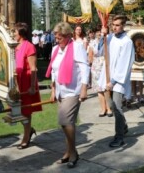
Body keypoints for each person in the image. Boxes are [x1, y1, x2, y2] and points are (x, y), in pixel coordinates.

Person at [46, 22, 90, 168]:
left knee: (65, 121)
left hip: (73, 91)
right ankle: (69, 151)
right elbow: (53, 71)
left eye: (59, 38)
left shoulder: (77, 47)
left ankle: (73, 152)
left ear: (67, 36)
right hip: (60, 91)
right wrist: (53, 90)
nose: (56, 41)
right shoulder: (54, 50)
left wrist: (84, 88)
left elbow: (84, 68)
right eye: (55, 38)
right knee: (67, 124)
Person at [100, 15, 135, 148]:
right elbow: (100, 51)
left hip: (118, 80)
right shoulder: (110, 38)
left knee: (117, 107)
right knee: (112, 106)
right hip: (108, 77)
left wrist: (114, 81)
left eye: (117, 25)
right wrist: (103, 35)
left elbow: (124, 63)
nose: (114, 27)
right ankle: (123, 125)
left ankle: (119, 137)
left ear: (123, 25)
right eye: (113, 25)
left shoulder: (127, 42)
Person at [13, 22, 42, 149]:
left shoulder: (29, 46)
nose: (13, 34)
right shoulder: (14, 46)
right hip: (17, 82)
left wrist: (32, 86)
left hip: (27, 81)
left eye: (14, 31)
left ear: (20, 33)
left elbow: (33, 68)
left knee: (25, 111)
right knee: (17, 110)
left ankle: (26, 136)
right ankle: (28, 130)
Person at [89, 29, 112, 117]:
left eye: (101, 32)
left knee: (106, 88)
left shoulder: (107, 41)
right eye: (97, 32)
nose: (99, 33)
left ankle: (109, 108)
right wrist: (92, 62)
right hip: (96, 66)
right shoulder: (92, 43)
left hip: (105, 64)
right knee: (99, 89)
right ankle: (103, 109)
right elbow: (90, 56)